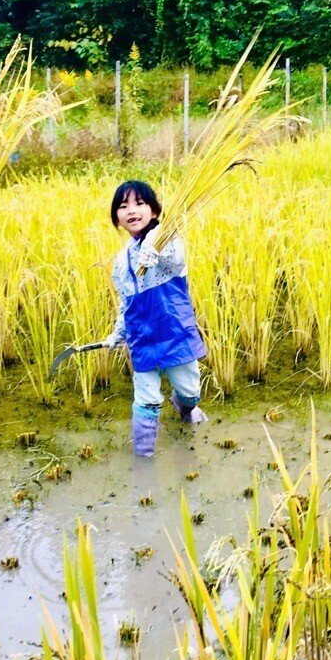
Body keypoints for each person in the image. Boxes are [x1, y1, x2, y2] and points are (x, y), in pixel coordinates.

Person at [100, 180, 208, 457]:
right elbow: (126, 303)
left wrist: (156, 253)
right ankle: (144, 457)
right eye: (123, 207)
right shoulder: (121, 261)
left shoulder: (167, 238)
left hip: (174, 331)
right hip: (142, 338)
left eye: (139, 203)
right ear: (117, 218)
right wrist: (118, 333)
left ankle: (185, 406)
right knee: (146, 400)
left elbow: (178, 263)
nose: (131, 211)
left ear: (154, 211)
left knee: (190, 391)